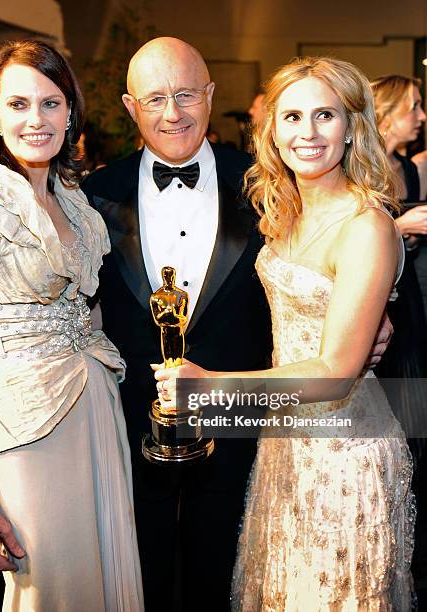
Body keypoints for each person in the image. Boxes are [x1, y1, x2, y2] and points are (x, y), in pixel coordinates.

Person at [82, 37, 391, 612]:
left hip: (251, 430)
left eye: (186, 94)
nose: (172, 113)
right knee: (133, 584)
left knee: (236, 584)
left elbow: (339, 268)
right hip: (129, 429)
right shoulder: (91, 196)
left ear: (210, 94)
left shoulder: (268, 184)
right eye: (154, 99)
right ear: (130, 107)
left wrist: (380, 316)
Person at [156, 56, 415, 610]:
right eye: (292, 116)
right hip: (284, 443)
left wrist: (210, 389)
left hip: (344, 454)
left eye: (325, 115)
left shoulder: (365, 224)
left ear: (352, 126)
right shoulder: (284, 210)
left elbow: (335, 371)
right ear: (272, 129)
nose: (308, 133)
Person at [0, 40, 143, 612]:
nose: (35, 120)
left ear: (70, 112)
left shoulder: (75, 202)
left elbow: (86, 310)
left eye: (50, 103)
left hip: (95, 409)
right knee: (50, 589)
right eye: (17, 104)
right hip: (20, 429)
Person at [371, 75, 427, 442]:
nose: (422, 116)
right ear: (387, 115)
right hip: (374, 302)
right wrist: (400, 225)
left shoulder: (407, 168)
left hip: (406, 295)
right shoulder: (360, 168)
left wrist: (408, 236)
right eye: (415, 107)